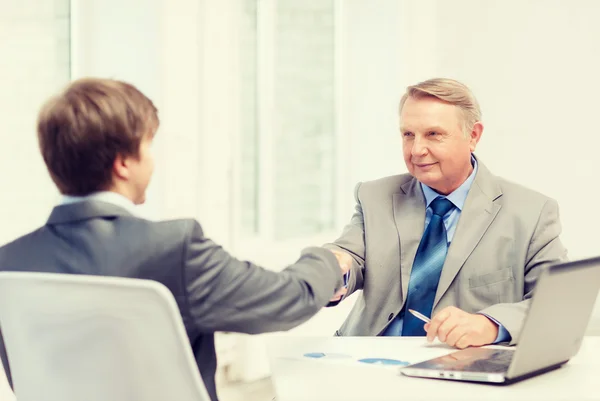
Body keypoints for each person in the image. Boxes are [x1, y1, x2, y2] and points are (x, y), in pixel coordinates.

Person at [0, 78, 350, 401]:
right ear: (123, 164)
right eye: (148, 146)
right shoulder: (174, 249)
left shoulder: (9, 265)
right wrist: (329, 260)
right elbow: (288, 299)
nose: (152, 160)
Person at [326, 78, 567, 348]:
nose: (417, 150)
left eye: (433, 134)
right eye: (408, 134)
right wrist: (334, 271)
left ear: (473, 136)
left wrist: (491, 324)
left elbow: (556, 305)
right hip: (365, 358)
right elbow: (349, 257)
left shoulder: (531, 212)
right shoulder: (374, 196)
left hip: (460, 369)